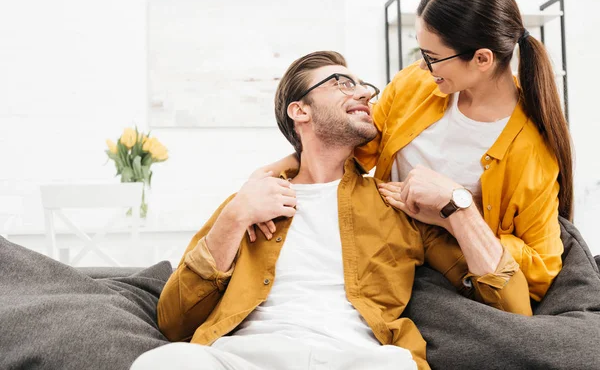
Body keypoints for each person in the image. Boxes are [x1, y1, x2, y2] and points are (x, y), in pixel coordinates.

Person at [130, 51, 528, 370]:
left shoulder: (396, 204)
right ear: (299, 111)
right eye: (341, 83)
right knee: (162, 363)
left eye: (363, 85)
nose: (364, 93)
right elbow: (173, 321)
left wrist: (457, 205)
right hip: (245, 356)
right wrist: (234, 218)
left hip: (362, 359)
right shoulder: (250, 201)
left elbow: (513, 306)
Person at [254, 0, 572, 309]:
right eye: (423, 51)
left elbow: (540, 270)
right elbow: (351, 148)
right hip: (389, 247)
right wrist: (270, 174)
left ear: (482, 59)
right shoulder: (416, 84)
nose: (423, 65)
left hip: (457, 270)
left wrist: (453, 211)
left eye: (433, 57)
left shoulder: (532, 150)